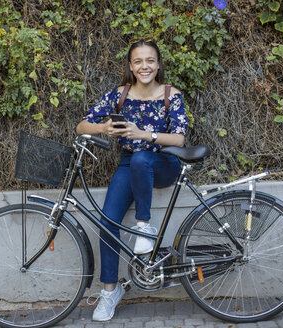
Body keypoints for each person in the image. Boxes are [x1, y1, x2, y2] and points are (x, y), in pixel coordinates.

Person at [76, 40, 188, 321]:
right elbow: (81, 125)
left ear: (158, 64)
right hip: (129, 164)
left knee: (141, 158)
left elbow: (179, 139)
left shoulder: (170, 95)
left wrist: (143, 135)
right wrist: (104, 128)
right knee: (108, 222)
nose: (144, 66)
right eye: (138, 61)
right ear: (130, 66)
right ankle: (110, 292)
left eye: (150, 60)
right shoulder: (120, 94)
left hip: (163, 162)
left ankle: (144, 228)